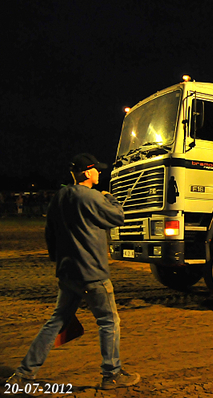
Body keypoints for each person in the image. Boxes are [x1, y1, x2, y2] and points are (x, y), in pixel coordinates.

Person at [5, 153, 140, 391]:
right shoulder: (92, 197)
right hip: (93, 274)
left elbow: (50, 233)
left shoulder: (59, 196)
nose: (100, 172)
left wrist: (59, 261)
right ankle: (112, 374)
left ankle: (23, 375)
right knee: (109, 321)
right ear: (87, 173)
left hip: (68, 274)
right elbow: (118, 217)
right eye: (97, 169)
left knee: (56, 321)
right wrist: (111, 198)